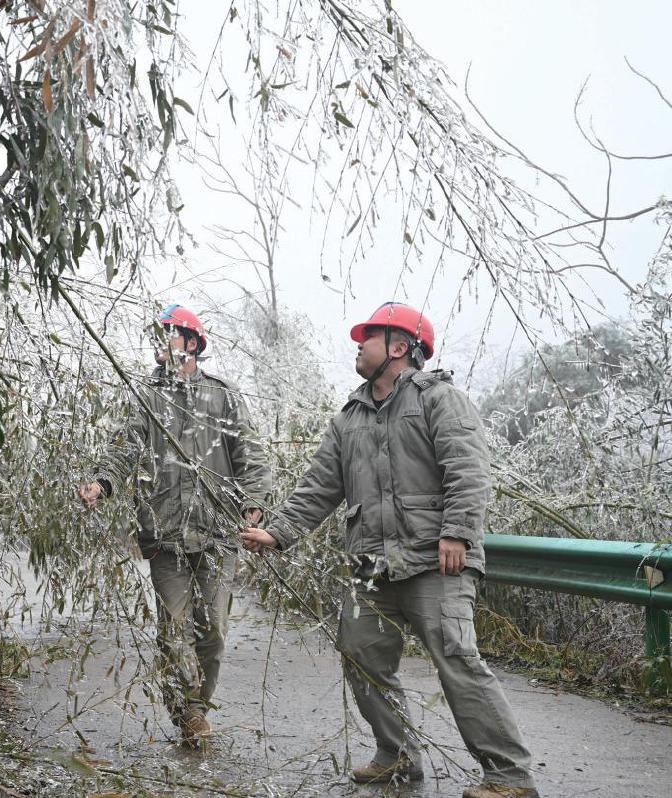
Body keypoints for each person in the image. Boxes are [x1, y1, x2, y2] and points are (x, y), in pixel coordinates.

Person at [239, 302, 539, 798]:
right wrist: (279, 533)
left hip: (436, 559)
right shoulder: (349, 418)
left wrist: (459, 531)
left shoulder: (440, 399)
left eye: (369, 337)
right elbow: (319, 488)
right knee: (361, 656)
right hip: (371, 567)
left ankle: (509, 775)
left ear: (399, 347)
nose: (359, 344)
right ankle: (397, 758)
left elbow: (468, 469)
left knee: (457, 660)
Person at [78, 304, 272, 742]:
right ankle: (187, 713)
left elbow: (252, 457)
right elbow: (123, 449)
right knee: (173, 627)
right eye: (157, 334)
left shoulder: (223, 395)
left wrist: (254, 504)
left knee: (214, 631)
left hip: (219, 535)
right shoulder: (145, 395)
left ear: (191, 342)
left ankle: (199, 703)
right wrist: (102, 483)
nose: (159, 341)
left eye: (167, 333)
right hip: (164, 534)